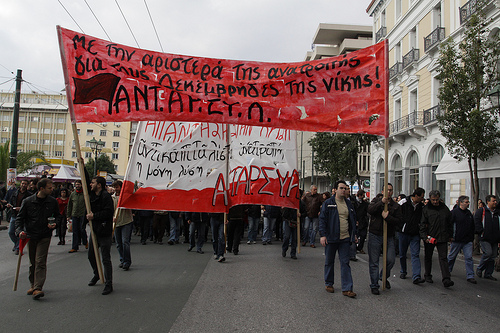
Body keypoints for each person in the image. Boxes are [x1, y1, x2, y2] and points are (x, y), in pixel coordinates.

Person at [15, 178, 61, 299]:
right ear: (41, 188)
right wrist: (19, 231)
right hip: (31, 235)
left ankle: (38, 287)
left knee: (40, 261)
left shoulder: (52, 201)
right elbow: (19, 219)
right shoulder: (28, 201)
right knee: (33, 262)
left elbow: (58, 216)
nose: (52, 190)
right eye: (49, 188)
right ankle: (33, 284)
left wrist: (55, 223)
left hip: (45, 235)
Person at [319, 180, 357, 298]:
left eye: (345, 188)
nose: (343, 190)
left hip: (345, 238)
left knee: (345, 263)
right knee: (329, 261)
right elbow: (322, 219)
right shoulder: (328, 203)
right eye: (341, 188)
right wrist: (323, 235)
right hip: (331, 237)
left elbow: (352, 220)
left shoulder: (348, 204)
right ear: (335, 190)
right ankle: (329, 283)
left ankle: (347, 288)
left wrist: (354, 234)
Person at [367, 183, 402, 295]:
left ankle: (383, 276)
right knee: (374, 261)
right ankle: (374, 284)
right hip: (375, 234)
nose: (389, 192)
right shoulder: (375, 201)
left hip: (389, 236)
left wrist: (388, 218)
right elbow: (370, 210)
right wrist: (381, 203)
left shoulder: (395, 205)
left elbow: (399, 221)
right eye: (387, 190)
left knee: (390, 259)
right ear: (382, 191)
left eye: (391, 190)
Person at [420, 190, 454, 288]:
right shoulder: (426, 209)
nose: (435, 202)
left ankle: (446, 278)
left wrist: (450, 235)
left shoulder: (444, 209)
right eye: (433, 200)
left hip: (443, 236)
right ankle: (427, 275)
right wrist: (424, 236)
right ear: (430, 199)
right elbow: (422, 224)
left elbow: (449, 223)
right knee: (428, 257)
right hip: (430, 237)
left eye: (437, 200)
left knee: (443, 258)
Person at [87, 176, 114, 295]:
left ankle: (109, 283)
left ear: (99, 185)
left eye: (93, 183)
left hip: (104, 231)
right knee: (91, 255)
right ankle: (97, 274)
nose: (90, 184)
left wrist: (94, 216)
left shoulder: (105, 196)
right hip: (94, 231)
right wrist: (82, 164)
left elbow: (108, 213)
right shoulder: (91, 195)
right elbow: (85, 178)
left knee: (105, 258)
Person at [398, 187, 426, 284]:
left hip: (415, 233)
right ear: (416, 196)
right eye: (421, 197)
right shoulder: (404, 202)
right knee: (402, 254)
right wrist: (401, 226)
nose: (423, 199)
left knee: (415, 254)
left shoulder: (421, 206)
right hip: (403, 233)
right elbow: (397, 213)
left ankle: (416, 276)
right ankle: (403, 271)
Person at [448, 195, 476, 284]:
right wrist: (450, 236)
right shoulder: (454, 213)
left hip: (467, 240)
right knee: (452, 256)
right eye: (466, 202)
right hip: (457, 239)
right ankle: (447, 270)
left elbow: (472, 226)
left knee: (469, 258)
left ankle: (470, 275)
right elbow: (449, 225)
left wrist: (471, 237)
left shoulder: (469, 214)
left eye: (468, 202)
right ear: (461, 203)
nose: (468, 204)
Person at [474, 195, 500, 281]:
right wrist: (481, 231)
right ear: (488, 202)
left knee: (493, 256)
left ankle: (488, 273)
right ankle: (480, 268)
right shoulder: (482, 211)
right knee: (488, 253)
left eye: (496, 201)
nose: (495, 202)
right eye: (493, 201)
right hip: (485, 237)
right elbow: (477, 222)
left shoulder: (497, 212)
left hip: (495, 238)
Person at [111, 180, 134, 271]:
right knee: (118, 243)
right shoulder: (112, 198)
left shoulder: (125, 197)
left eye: (117, 187)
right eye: (114, 187)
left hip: (126, 221)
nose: (115, 189)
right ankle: (122, 259)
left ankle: (127, 261)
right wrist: (112, 217)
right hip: (117, 222)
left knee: (125, 242)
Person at [6, 180, 31, 255]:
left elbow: (29, 206)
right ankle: (17, 243)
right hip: (14, 215)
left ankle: (18, 248)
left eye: (25, 184)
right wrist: (9, 205)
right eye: (22, 183)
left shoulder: (29, 195)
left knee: (21, 232)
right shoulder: (15, 193)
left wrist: (21, 208)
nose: (23, 185)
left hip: (23, 216)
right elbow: (11, 201)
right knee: (11, 232)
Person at [67, 180, 88, 253]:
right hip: (74, 214)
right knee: (75, 231)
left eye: (79, 184)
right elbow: (69, 205)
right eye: (76, 184)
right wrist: (68, 215)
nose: (77, 186)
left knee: (82, 229)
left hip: (82, 214)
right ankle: (74, 247)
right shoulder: (73, 194)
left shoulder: (84, 194)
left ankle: (85, 242)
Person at [353, 189, 369, 254]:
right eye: (363, 195)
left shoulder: (364, 203)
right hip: (356, 221)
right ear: (359, 195)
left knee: (363, 236)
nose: (363, 197)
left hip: (363, 221)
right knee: (355, 235)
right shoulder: (354, 202)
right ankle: (354, 248)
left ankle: (360, 248)